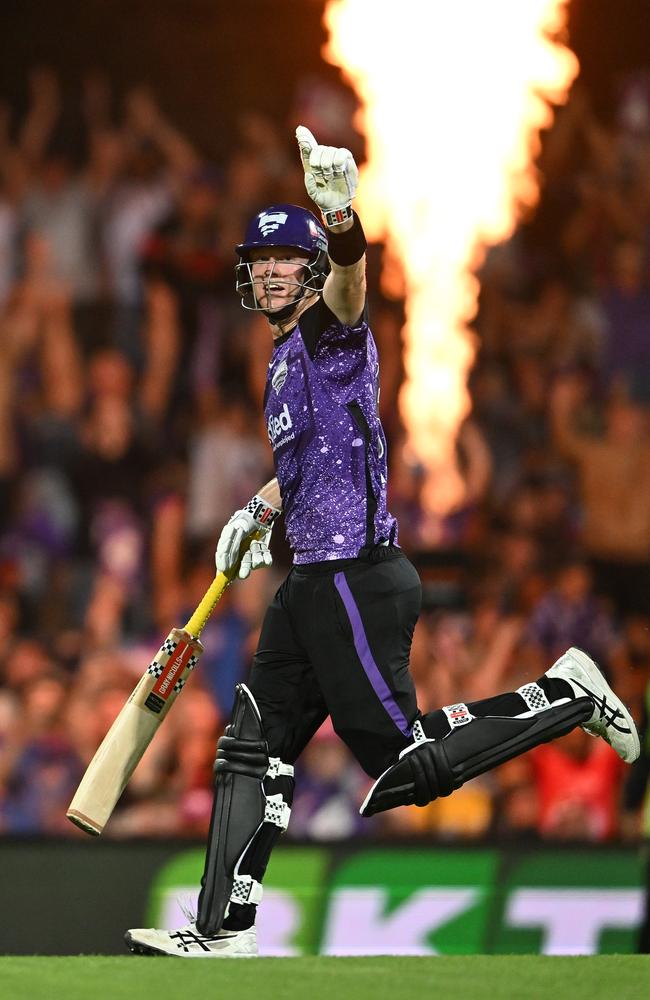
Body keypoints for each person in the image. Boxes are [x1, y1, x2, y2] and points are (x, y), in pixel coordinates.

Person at [125, 126, 639, 958]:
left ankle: (565, 695)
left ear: (309, 269)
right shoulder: (282, 357)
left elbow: (354, 284)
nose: (262, 272)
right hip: (309, 583)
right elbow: (313, 463)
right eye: (255, 262)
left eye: (280, 260)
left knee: (407, 767)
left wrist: (340, 222)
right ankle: (221, 931)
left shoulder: (333, 331)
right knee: (252, 742)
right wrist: (259, 510)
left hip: (355, 578)